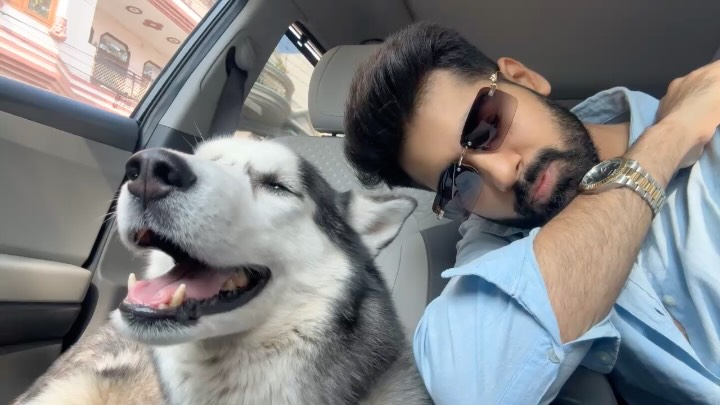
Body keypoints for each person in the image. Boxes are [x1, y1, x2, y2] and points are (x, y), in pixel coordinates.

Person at [343, 21, 720, 404]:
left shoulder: (713, 113)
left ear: (525, 78)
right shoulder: (501, 245)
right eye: (457, 183)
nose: (503, 175)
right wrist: (667, 140)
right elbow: (473, 392)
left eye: (486, 126)